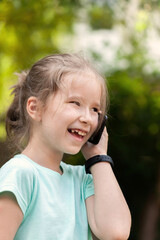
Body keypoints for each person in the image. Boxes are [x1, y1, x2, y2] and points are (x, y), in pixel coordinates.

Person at [0, 53, 131, 240]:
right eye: (75, 103)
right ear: (35, 108)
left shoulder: (82, 180)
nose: (87, 118)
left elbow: (116, 232)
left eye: (95, 109)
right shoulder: (20, 175)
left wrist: (98, 157)